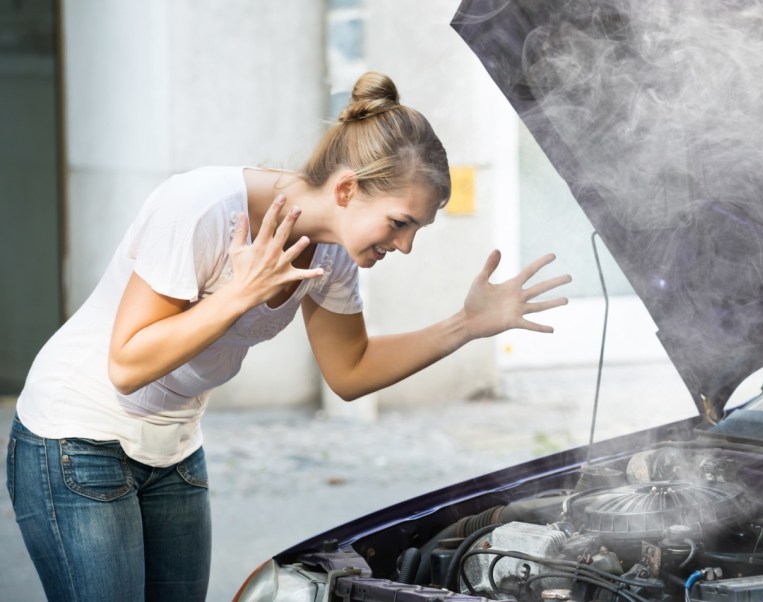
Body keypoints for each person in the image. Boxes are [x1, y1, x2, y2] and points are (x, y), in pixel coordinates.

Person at [5, 71, 570, 601]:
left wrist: (466, 325)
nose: (405, 246)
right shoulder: (203, 209)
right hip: (75, 439)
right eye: (399, 223)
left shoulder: (335, 255)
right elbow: (127, 363)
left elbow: (351, 372)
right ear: (347, 190)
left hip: (172, 447)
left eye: (416, 230)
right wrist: (239, 294)